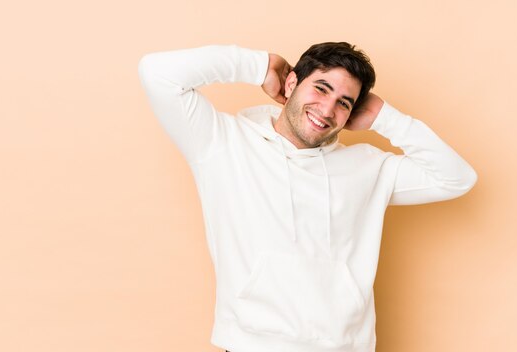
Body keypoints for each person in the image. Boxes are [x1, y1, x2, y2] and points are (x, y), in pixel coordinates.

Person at [138, 43, 477, 352]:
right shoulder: (222, 144)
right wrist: (259, 66)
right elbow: (157, 73)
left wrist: (386, 118)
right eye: (321, 88)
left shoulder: (367, 168)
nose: (327, 110)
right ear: (291, 84)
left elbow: (457, 178)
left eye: (343, 103)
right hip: (250, 345)